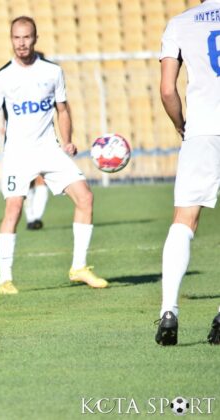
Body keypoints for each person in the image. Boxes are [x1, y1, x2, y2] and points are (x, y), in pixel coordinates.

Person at [0, 16, 108, 295]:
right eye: (16, 37)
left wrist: (68, 140)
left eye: (26, 37)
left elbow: (63, 110)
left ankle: (79, 267)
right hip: (17, 154)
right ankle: (5, 279)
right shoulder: (2, 77)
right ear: (11, 39)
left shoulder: (52, 72)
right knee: (13, 210)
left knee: (85, 197)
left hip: (49, 149)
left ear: (35, 39)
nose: (21, 43)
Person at [155, 0, 220, 346]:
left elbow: (168, 90)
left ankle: (169, 311)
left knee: (184, 220)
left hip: (203, 130)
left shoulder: (180, 23)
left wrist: (182, 125)